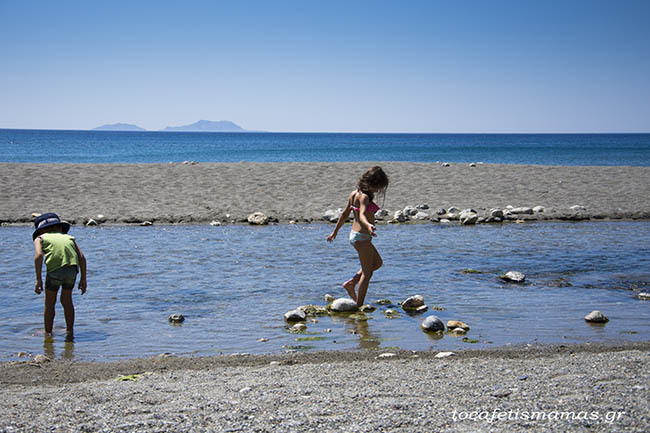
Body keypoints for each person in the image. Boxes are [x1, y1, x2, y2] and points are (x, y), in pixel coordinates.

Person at [327, 166, 389, 306]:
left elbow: (344, 214)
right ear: (372, 183)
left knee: (377, 263)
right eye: (378, 187)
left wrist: (335, 232)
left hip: (357, 236)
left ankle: (352, 282)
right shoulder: (364, 197)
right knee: (367, 274)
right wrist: (368, 226)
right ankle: (359, 306)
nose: (379, 190)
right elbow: (361, 215)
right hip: (362, 237)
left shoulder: (354, 193)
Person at [32, 213, 87, 342]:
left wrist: (38, 279)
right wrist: (83, 279)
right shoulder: (69, 238)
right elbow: (82, 258)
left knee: (50, 302)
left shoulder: (40, 238)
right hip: (72, 271)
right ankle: (70, 332)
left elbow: (39, 256)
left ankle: (48, 333)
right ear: (60, 228)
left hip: (55, 272)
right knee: (66, 300)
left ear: (40, 230)